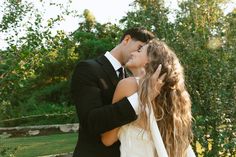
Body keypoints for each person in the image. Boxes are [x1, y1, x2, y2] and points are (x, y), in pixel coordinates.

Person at [101, 39, 196, 157]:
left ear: (150, 60)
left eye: (139, 51)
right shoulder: (171, 97)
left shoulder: (128, 85)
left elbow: (107, 139)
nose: (133, 53)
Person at [70, 27, 155, 157]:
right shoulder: (88, 69)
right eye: (139, 48)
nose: (138, 53)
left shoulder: (130, 79)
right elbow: (91, 121)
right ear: (127, 39)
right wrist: (138, 99)